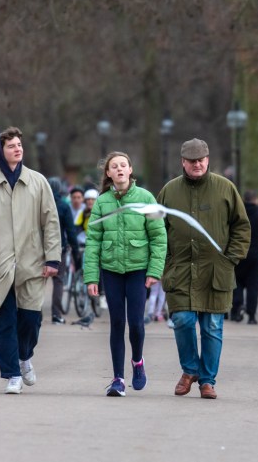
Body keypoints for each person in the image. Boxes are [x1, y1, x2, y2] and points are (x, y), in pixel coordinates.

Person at [0, 127, 61, 395]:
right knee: (4, 321)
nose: (17, 149)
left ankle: (24, 357)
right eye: (11, 146)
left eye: (19, 145)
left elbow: (51, 222)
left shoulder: (38, 182)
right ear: (1, 151)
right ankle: (11, 374)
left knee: (30, 320)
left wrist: (53, 258)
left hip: (32, 263)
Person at [157, 138, 250, 399]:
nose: (197, 164)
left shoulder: (225, 188)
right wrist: (164, 264)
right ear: (183, 162)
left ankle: (207, 380)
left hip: (215, 271)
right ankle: (190, 370)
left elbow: (241, 226)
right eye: (191, 161)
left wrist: (230, 258)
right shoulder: (169, 191)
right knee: (183, 321)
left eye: (201, 160)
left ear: (208, 160)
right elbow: (156, 230)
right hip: (180, 270)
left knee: (212, 327)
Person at [84, 152, 166, 396]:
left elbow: (159, 237)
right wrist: (91, 277)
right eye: (114, 166)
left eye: (123, 165)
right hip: (111, 270)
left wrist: (154, 270)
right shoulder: (101, 202)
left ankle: (138, 363)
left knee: (137, 324)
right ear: (108, 173)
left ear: (130, 170)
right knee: (117, 323)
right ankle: (118, 379)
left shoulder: (146, 198)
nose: (119, 169)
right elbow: (93, 241)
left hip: (138, 270)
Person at [231, 190, 258, 324]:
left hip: (238, 253)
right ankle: (251, 315)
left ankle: (236, 310)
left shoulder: (236, 214)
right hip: (256, 254)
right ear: (256, 200)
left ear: (243, 199)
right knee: (253, 286)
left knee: (236, 283)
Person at [50, 177, 80, 325]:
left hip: (38, 249)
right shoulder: (63, 206)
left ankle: (33, 313)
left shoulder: (39, 205)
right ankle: (56, 314)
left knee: (37, 281)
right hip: (58, 248)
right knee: (58, 281)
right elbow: (71, 231)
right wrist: (75, 253)